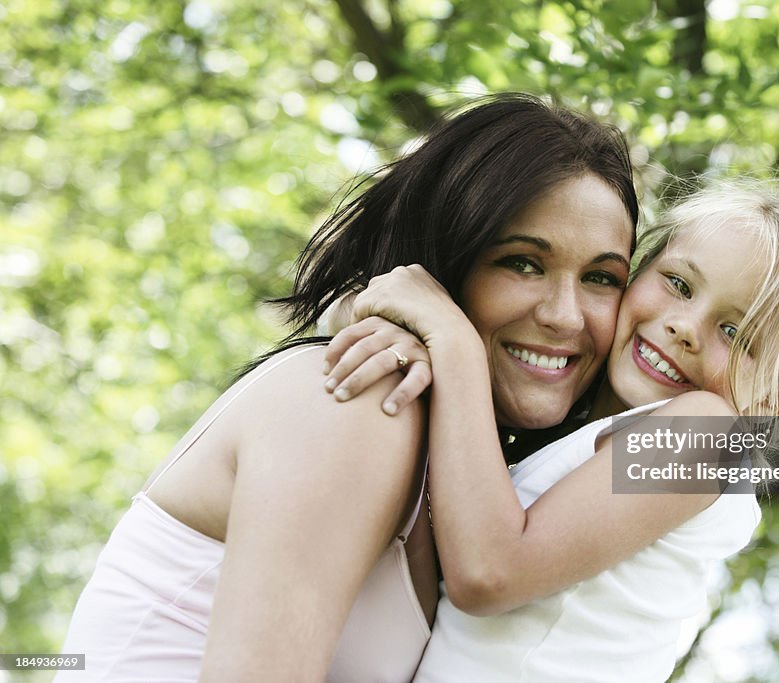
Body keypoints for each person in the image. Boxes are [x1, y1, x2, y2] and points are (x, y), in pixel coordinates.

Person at [56, 93, 640, 682]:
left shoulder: (708, 443)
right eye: (521, 263)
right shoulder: (359, 404)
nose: (566, 317)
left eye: (600, 278)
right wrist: (451, 344)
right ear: (448, 256)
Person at [326, 175, 779, 681]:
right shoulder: (575, 440)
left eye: (736, 333)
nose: (684, 327)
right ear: (634, 274)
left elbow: (489, 572)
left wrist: (453, 341)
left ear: (770, 404)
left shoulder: (707, 431)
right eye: (679, 285)